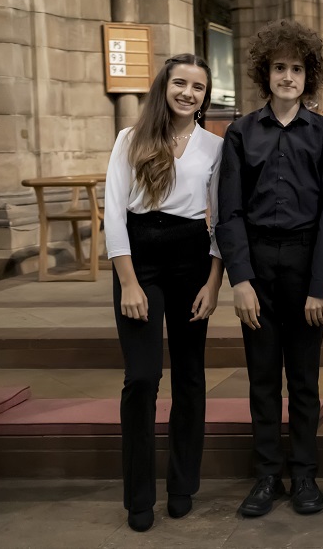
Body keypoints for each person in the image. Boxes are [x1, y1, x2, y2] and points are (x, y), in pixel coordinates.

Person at [216, 20, 323, 518]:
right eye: (279, 68)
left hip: (304, 260)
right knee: (263, 378)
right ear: (264, 73)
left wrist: (319, 287)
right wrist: (241, 280)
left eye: (296, 68)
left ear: (308, 75)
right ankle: (268, 476)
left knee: (305, 380)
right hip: (257, 263)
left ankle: (305, 475)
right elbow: (229, 212)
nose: (287, 77)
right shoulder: (241, 133)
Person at [105, 54, 224, 532]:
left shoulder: (216, 147)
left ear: (205, 96)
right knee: (142, 377)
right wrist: (129, 282)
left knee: (190, 377)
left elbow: (221, 218)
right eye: (180, 83)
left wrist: (214, 282)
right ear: (164, 86)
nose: (188, 93)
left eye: (198, 87)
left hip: (192, 259)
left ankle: (181, 485)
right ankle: (138, 495)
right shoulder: (129, 140)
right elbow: (114, 212)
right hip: (140, 260)